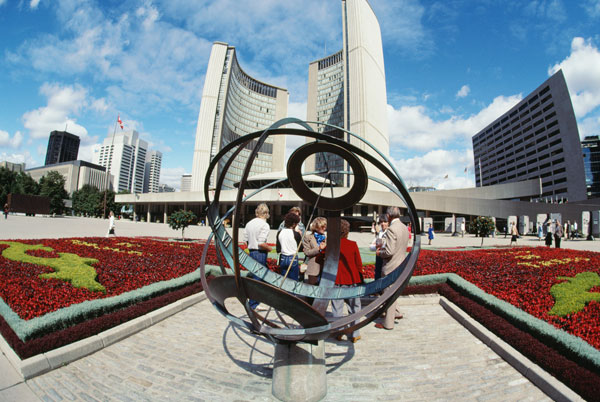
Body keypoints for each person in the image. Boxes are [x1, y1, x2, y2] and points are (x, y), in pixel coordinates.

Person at [375, 206, 409, 330]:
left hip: (391, 265)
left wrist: (379, 253)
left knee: (388, 292)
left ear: (388, 216)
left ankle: (388, 323)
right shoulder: (404, 227)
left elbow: (389, 251)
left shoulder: (392, 229)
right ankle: (397, 312)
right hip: (401, 263)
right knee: (393, 290)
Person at [332, 219, 364, 343]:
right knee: (355, 308)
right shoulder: (353, 244)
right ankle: (355, 333)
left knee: (337, 309)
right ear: (347, 231)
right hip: (352, 280)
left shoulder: (332, 245)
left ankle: (339, 331)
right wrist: (361, 278)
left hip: (337, 280)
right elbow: (358, 264)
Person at [243, 203, 272, 309]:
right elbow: (261, 243)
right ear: (266, 213)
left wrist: (251, 245)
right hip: (260, 253)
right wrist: (269, 248)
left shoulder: (249, 223)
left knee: (257, 277)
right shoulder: (265, 225)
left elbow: (245, 240)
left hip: (252, 252)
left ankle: (256, 300)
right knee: (258, 279)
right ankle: (253, 304)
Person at [302, 217, 327, 286]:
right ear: (316, 227)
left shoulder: (326, 238)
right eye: (322, 227)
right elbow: (307, 252)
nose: (324, 229)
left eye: (325, 227)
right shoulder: (308, 237)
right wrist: (319, 248)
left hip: (325, 268)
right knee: (311, 289)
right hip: (313, 268)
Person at [278, 212, 302, 281]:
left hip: (283, 258)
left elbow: (278, 248)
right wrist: (300, 235)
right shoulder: (296, 234)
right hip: (292, 258)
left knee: (284, 280)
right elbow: (300, 248)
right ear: (294, 224)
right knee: (293, 281)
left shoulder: (280, 232)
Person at [369, 214, 389, 281]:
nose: (383, 224)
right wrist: (377, 246)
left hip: (385, 257)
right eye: (381, 222)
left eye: (385, 222)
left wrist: (380, 245)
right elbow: (371, 247)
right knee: (377, 276)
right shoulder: (379, 233)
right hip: (378, 258)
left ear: (388, 223)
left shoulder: (389, 233)